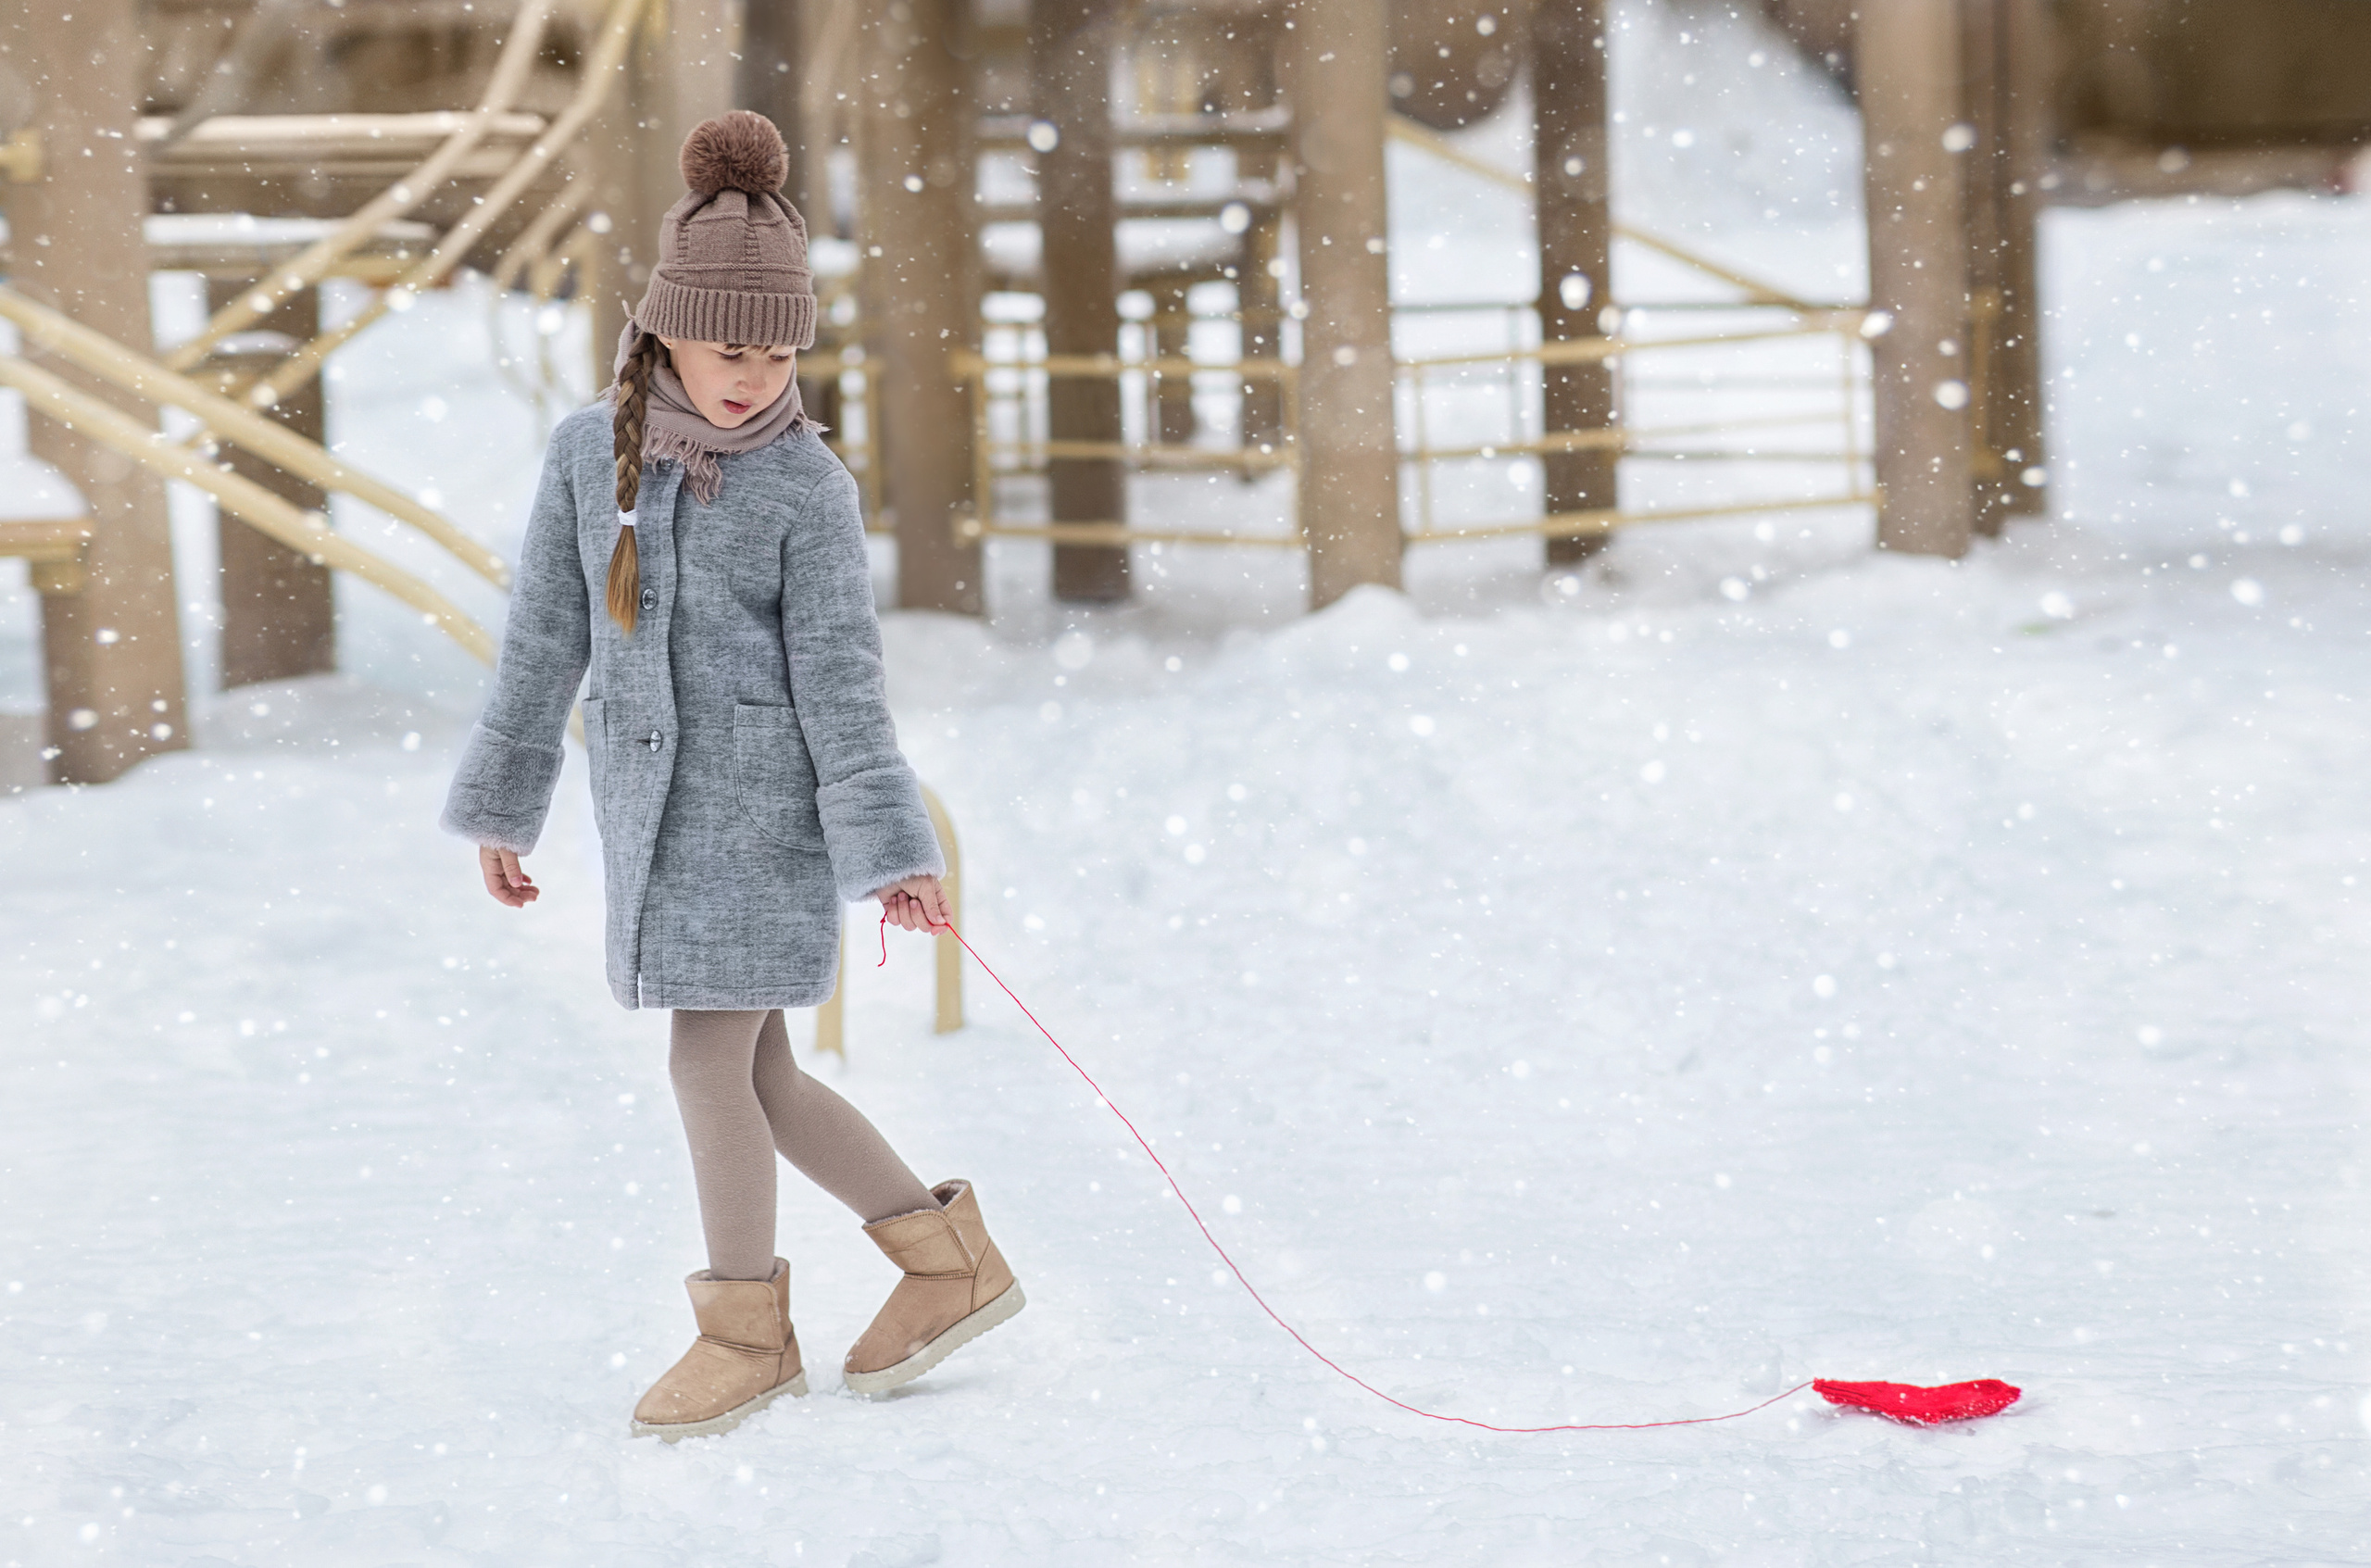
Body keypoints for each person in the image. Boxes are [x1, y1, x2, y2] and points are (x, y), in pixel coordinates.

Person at [440, 111, 1022, 1442]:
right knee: (761, 1077)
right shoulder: (590, 456)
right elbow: (544, 637)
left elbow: (842, 682)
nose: (754, 378)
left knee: (708, 1062)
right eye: (728, 349)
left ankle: (744, 1330)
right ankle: (947, 1260)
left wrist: (892, 853)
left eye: (777, 352)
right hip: (651, 824)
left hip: (764, 825)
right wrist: (503, 802)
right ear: (663, 333)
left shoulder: (807, 489)